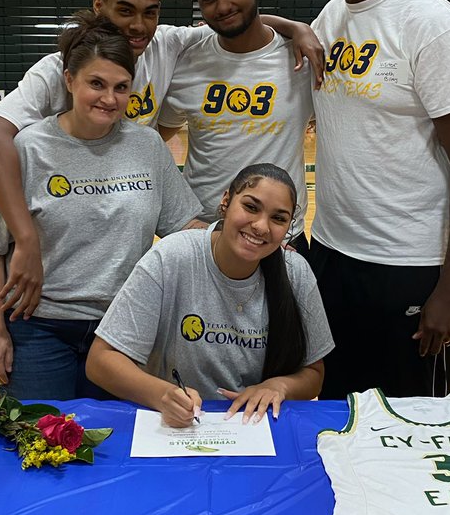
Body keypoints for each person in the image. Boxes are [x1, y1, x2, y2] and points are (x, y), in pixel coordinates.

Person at [0, 0, 323, 318]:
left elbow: (234, 20)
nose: (138, 25)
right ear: (99, 5)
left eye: (150, 12)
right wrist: (24, 239)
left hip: (143, 243)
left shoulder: (167, 45)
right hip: (59, 251)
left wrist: (295, 28)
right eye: (124, 10)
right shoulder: (60, 69)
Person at [309, 0, 450, 399]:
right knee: (335, 412)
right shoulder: (330, 19)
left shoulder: (430, 25)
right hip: (333, 256)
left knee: (410, 422)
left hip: (409, 269)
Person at [0, 14, 202, 402]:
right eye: (97, 83)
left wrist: (242, 239)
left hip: (122, 331)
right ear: (70, 80)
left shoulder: (147, 147)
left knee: (115, 452)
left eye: (121, 87)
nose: (109, 99)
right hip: (37, 329)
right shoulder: (26, 148)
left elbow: (184, 227)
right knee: (40, 445)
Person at [86, 163, 333, 427]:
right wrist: (161, 394)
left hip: (254, 428)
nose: (261, 226)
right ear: (226, 201)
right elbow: (100, 360)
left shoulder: (295, 271)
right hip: (177, 427)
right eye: (251, 207)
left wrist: (279, 386)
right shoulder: (172, 256)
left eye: (278, 218)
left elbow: (313, 374)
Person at [158, 0, 315, 250]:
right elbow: (154, 140)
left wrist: (296, 27)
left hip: (279, 237)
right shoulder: (188, 61)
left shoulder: (300, 58)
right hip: (202, 234)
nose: (223, 6)